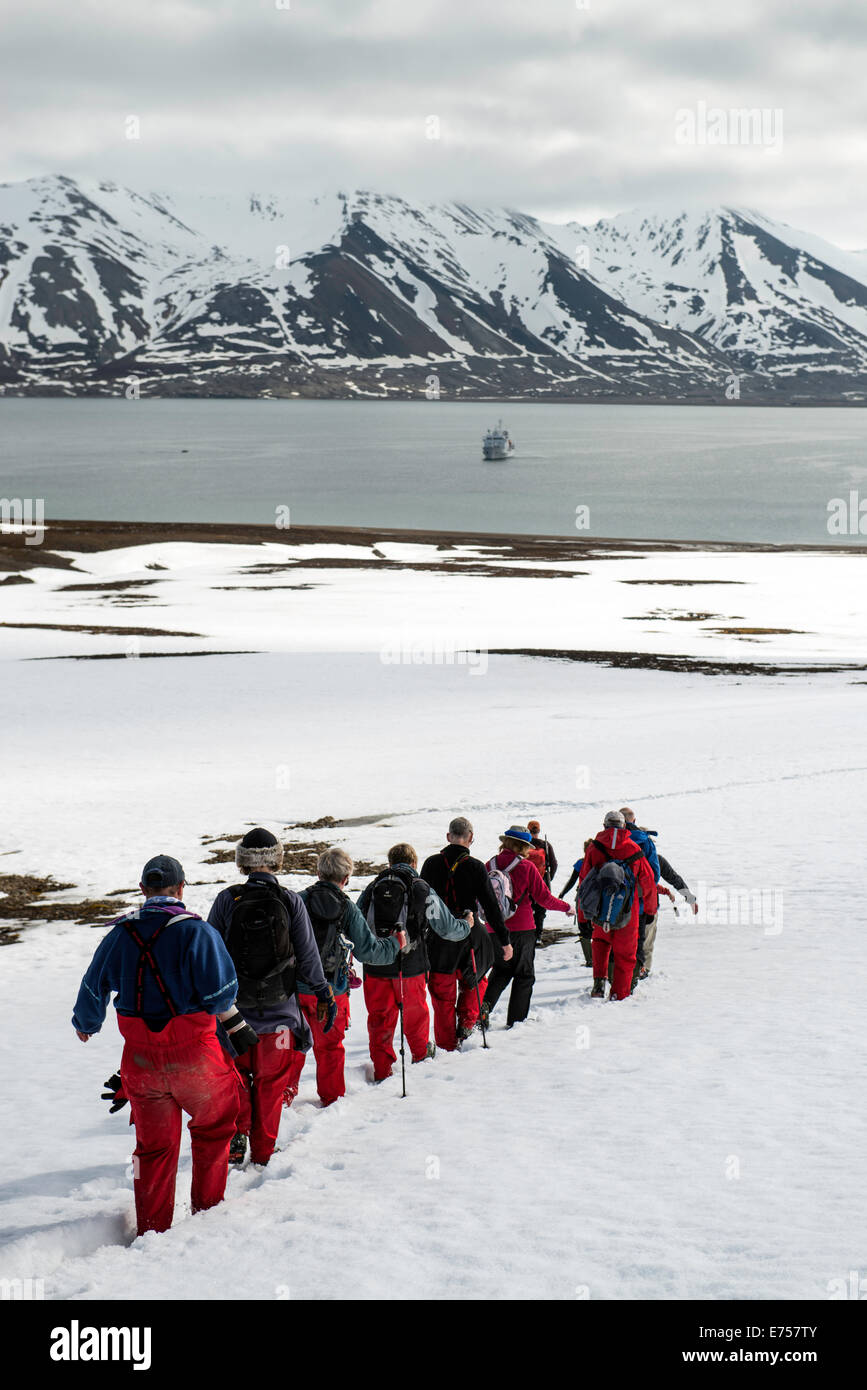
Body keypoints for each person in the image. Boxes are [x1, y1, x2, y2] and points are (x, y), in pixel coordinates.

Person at [72, 854, 249, 1236]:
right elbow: (221, 996)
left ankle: (153, 1231)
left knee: (152, 1149)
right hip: (197, 1058)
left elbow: (92, 986)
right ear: (181, 889)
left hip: (140, 1061)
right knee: (214, 1130)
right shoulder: (197, 932)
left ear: (142, 891)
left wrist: (86, 1023)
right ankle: (206, 1218)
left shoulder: (120, 934)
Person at [207, 828, 336, 1167]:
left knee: (237, 1078)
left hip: (235, 1016)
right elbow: (308, 957)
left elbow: (211, 955)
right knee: (270, 1085)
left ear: (242, 862)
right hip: (280, 1014)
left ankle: (237, 1132)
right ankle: (263, 1152)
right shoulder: (290, 900)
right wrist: (323, 993)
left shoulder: (226, 900)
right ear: (277, 859)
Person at [285, 848, 406, 1104]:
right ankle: (332, 1100)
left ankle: (282, 1099)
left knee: (292, 1048)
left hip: (293, 991)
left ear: (318, 873)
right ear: (347, 878)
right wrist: (396, 944)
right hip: (332, 992)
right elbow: (368, 951)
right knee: (330, 1048)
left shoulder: (297, 900)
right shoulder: (347, 908)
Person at [357, 843, 471, 1082]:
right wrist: (467, 925)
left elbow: (356, 923)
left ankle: (382, 1071)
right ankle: (421, 1062)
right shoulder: (419, 887)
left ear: (390, 863)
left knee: (379, 1020)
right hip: (410, 967)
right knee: (415, 1017)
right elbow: (447, 928)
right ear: (414, 864)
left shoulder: (372, 887)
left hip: (375, 966)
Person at [420, 816, 512, 1050]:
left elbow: (420, 902)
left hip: (438, 937)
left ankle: (446, 1045)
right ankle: (467, 1021)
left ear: (448, 837)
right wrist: (504, 941)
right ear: (471, 838)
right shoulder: (475, 866)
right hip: (470, 934)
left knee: (442, 996)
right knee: (477, 978)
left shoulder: (431, 864)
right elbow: (491, 907)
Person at [481, 826, 574, 1028]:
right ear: (524, 846)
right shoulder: (527, 867)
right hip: (522, 929)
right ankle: (516, 1021)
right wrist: (566, 907)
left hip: (494, 929)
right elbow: (544, 899)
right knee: (524, 975)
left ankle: (482, 1014)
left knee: (499, 972)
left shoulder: (489, 865)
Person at [578, 811, 658, 1001]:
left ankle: (598, 984)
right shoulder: (633, 849)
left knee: (600, 945)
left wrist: (583, 916)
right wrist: (649, 910)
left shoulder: (594, 848)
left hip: (599, 909)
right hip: (628, 911)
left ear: (604, 825)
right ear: (624, 826)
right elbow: (648, 883)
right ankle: (619, 995)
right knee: (625, 955)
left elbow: (584, 883)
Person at [638, 852, 698, 976]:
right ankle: (643, 970)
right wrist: (689, 898)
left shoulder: (619, 854)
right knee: (646, 943)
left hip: (625, 908)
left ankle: (619, 973)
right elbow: (673, 878)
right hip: (649, 907)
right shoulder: (654, 858)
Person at [559, 838, 594, 967]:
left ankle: (589, 960)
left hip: (582, 898)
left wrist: (563, 893)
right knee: (596, 929)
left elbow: (572, 880)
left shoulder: (581, 863)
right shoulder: (600, 862)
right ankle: (598, 959)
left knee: (584, 928)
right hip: (597, 900)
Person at [527, 819, 558, 947]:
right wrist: (548, 878)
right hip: (542, 882)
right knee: (540, 910)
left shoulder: (524, 845)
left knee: (528, 908)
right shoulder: (545, 845)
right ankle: (538, 935)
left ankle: (528, 934)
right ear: (538, 831)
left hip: (526, 883)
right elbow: (554, 864)